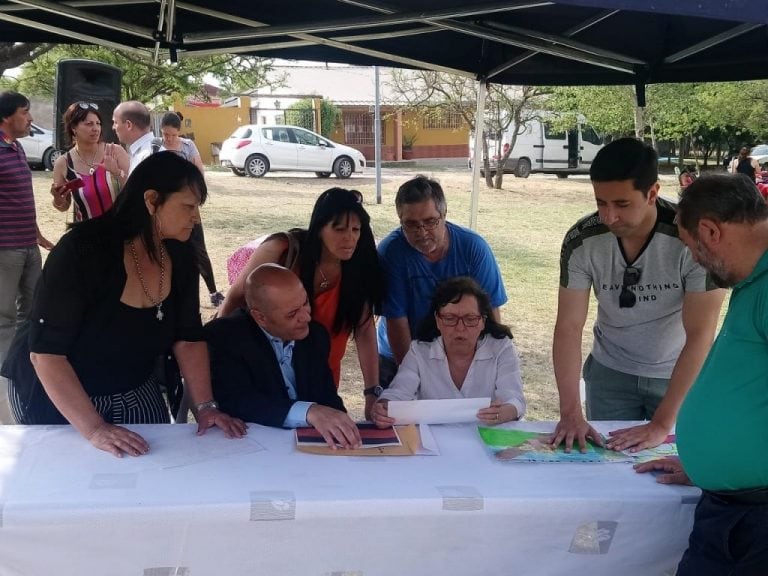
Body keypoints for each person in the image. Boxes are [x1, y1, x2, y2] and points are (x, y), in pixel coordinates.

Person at [1, 152, 246, 455]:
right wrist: (94, 429)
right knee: (73, 478)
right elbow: (46, 354)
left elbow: (189, 338)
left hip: (133, 383)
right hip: (56, 389)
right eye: (188, 207)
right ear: (152, 200)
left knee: (153, 466)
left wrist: (207, 408)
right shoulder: (83, 250)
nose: (196, 218)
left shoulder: (180, 254)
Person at [550, 137, 724, 453]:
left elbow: (701, 334)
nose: (608, 217)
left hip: (676, 377)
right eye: (601, 202)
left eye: (622, 204)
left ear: (652, 193)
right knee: (607, 471)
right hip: (609, 375)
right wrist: (570, 412)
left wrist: (661, 423)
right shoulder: (582, 240)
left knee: (676, 473)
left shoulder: (690, 237)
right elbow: (568, 327)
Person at [636, 173, 768, 575]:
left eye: (692, 246)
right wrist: (712, 462)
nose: (694, 259)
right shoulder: (754, 279)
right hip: (732, 507)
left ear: (710, 230)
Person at [220, 187, 384, 414]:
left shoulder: (359, 266)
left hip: (320, 374)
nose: (350, 237)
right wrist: (218, 353)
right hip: (267, 367)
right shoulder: (282, 250)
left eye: (356, 229)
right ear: (319, 228)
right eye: (339, 229)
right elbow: (235, 300)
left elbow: (365, 329)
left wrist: (371, 392)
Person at [376, 175, 507, 406]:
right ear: (400, 221)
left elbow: (490, 313)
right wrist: (415, 377)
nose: (422, 232)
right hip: (399, 356)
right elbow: (397, 323)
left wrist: (493, 367)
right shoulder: (390, 253)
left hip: (461, 356)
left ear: (444, 215)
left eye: (430, 221)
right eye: (411, 224)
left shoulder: (473, 248)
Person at [208, 264, 362, 449]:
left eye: (305, 303)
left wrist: (339, 423)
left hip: (306, 452)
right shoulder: (226, 337)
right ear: (260, 317)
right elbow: (239, 401)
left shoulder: (315, 336)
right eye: (292, 314)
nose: (306, 317)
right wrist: (309, 412)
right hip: (248, 450)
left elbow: (327, 398)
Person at [371, 277, 525, 428]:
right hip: (433, 445)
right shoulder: (419, 351)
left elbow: (514, 399)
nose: (460, 328)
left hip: (487, 440)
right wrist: (383, 408)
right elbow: (398, 392)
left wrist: (505, 412)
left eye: (470, 319)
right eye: (450, 318)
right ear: (438, 320)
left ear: (483, 322)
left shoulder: (501, 348)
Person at [0, 91, 54, 424]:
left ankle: (30, 362)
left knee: (35, 309)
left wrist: (36, 233)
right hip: (5, 249)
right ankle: (10, 376)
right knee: (4, 316)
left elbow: (20, 198)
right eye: (25, 113)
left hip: (27, 245)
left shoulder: (16, 147)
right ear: (6, 117)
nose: (30, 119)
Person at [158, 111, 223, 308]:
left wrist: (194, 198)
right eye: (165, 134)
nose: (168, 138)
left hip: (188, 205)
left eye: (172, 135)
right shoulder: (156, 148)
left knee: (198, 249)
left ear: (179, 133)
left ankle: (213, 292)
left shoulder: (188, 146)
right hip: (167, 209)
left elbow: (198, 173)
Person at [50, 101, 130, 221]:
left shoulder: (115, 151)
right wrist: (58, 200)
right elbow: (64, 206)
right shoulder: (63, 163)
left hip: (120, 231)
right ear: (73, 128)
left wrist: (117, 173)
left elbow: (135, 190)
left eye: (98, 124)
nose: (95, 129)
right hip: (86, 234)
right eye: (89, 124)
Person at [112, 100, 154, 174]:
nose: (113, 127)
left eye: (116, 122)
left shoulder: (147, 156)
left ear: (128, 125)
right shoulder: (145, 152)